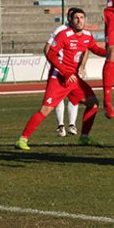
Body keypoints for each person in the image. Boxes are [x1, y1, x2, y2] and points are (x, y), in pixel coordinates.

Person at [15, 8, 106, 150]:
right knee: (45, 110)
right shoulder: (64, 34)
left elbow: (95, 49)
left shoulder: (88, 35)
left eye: (82, 17)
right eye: (76, 18)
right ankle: (22, 139)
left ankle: (84, 137)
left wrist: (111, 54)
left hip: (74, 79)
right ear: (71, 20)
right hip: (59, 78)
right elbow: (51, 54)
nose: (79, 20)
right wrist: (65, 72)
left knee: (93, 103)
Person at [44, 7, 81, 137]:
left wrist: (82, 66)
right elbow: (47, 48)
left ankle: (72, 124)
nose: (75, 20)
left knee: (74, 97)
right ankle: (60, 125)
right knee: (58, 98)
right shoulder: (60, 30)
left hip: (74, 69)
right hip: (59, 70)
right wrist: (55, 64)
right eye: (73, 17)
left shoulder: (80, 31)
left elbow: (86, 49)